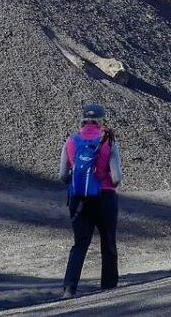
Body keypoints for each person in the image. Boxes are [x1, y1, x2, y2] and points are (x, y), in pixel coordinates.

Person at [59, 103, 123, 298]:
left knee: (80, 243)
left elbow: (62, 175)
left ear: (83, 119)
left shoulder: (71, 141)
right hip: (105, 197)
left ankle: (69, 288)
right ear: (101, 120)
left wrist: (78, 183)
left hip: (78, 199)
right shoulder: (108, 141)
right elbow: (116, 177)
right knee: (108, 240)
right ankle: (108, 286)